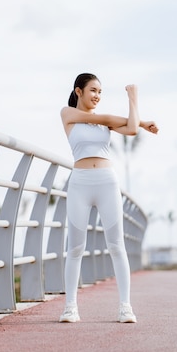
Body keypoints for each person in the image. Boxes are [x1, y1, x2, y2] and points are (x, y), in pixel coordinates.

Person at [59, 73, 158, 323]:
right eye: (93, 90)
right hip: (80, 183)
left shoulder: (106, 122)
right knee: (76, 248)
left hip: (107, 182)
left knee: (116, 246)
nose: (97, 96)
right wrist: (142, 121)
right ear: (78, 91)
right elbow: (111, 120)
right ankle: (70, 307)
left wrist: (133, 97)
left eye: (100, 92)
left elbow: (132, 129)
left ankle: (125, 306)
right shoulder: (68, 114)